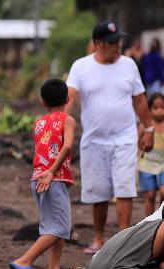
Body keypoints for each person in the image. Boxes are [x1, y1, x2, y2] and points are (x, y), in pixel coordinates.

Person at [65, 21, 156, 254]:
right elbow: (70, 97)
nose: (118, 46)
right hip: (94, 140)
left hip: (125, 137)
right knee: (99, 192)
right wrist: (59, 125)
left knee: (125, 188)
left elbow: (139, 99)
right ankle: (98, 239)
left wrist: (149, 128)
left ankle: (123, 237)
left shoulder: (128, 65)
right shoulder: (81, 66)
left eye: (119, 42)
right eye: (112, 43)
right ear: (97, 44)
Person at [10, 79, 76, 269]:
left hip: (38, 178)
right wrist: (52, 171)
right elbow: (67, 146)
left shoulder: (38, 123)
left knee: (53, 225)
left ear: (42, 101)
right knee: (61, 228)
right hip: (51, 178)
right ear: (67, 98)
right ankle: (24, 261)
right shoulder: (68, 120)